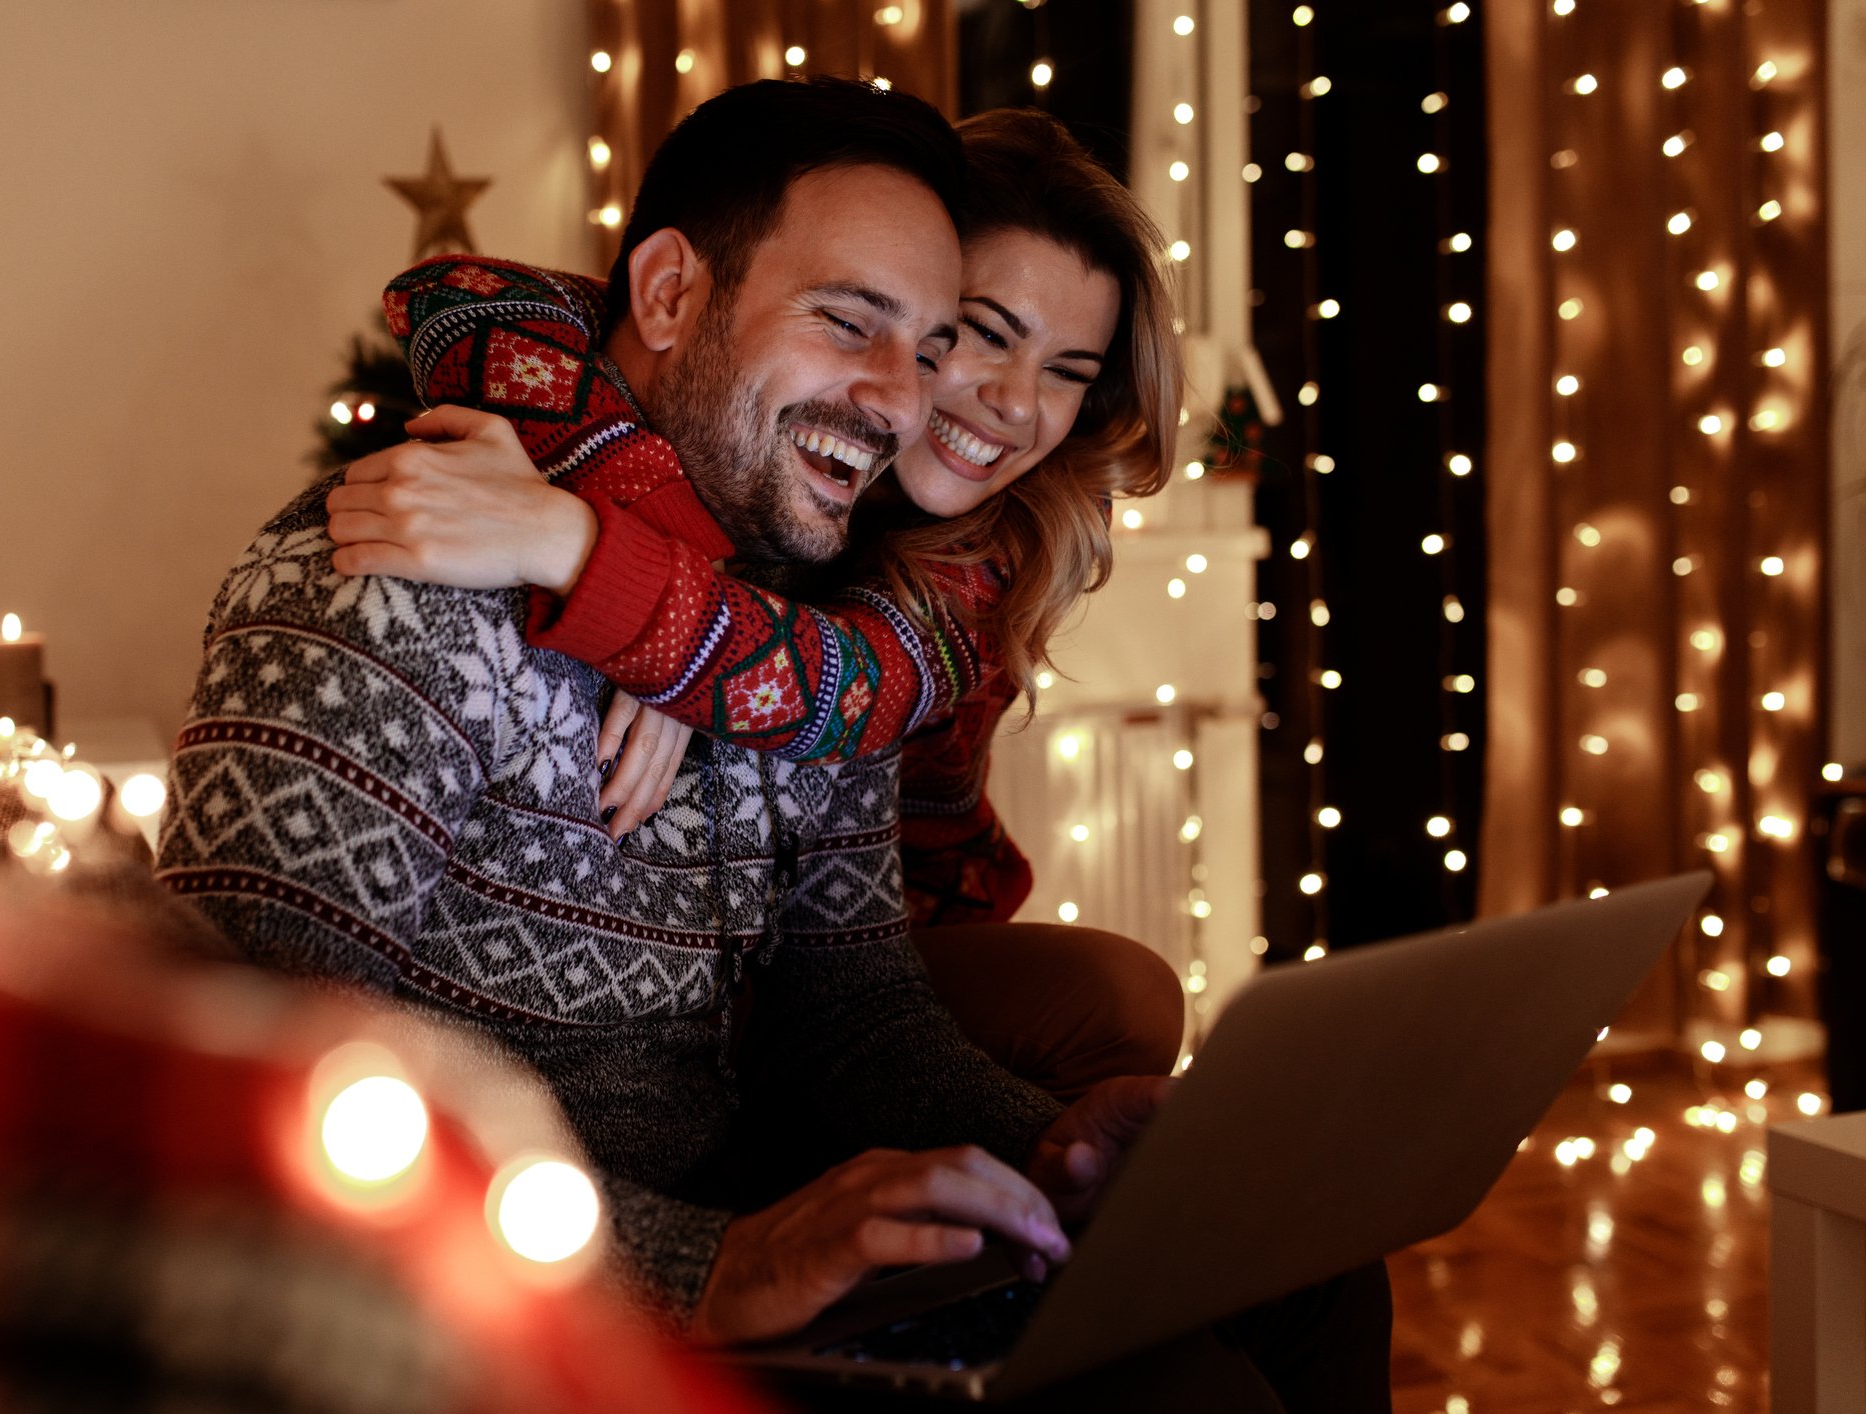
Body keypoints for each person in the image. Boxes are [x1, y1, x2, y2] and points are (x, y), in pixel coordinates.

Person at [160, 78, 1388, 1407]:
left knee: (1303, 1265)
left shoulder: (791, 609)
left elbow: (848, 1008)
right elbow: (243, 1096)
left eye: (925, 348)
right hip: (512, 1310)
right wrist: (704, 1267)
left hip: (740, 1214)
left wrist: (1054, 1157)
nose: (900, 401)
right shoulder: (394, 567)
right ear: (674, 294)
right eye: (849, 322)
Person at [330, 108, 1186, 1102]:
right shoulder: (757, 430)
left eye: (1068, 375)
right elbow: (460, 298)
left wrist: (589, 555)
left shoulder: (992, 551)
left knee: (1126, 1004)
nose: (1018, 403)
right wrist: (663, 533)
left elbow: (838, 692)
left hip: (890, 949)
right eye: (982, 336)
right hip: (685, 954)